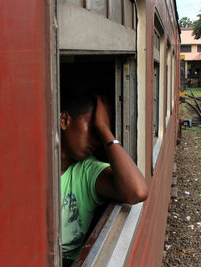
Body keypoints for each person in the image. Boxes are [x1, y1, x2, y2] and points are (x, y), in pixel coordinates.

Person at [60, 87, 149, 266]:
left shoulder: (86, 171)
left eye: (99, 132)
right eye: (92, 128)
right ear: (64, 121)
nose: (97, 140)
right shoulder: (32, 165)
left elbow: (137, 191)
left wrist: (104, 130)